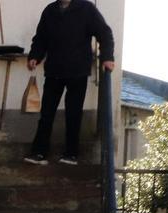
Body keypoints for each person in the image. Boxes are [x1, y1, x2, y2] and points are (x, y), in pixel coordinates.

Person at [23, 0, 115, 166]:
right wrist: (34, 56)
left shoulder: (86, 8)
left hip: (77, 71)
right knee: (46, 114)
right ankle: (39, 152)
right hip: (54, 71)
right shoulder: (50, 10)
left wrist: (107, 57)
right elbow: (41, 38)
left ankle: (71, 154)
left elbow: (105, 33)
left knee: (73, 114)